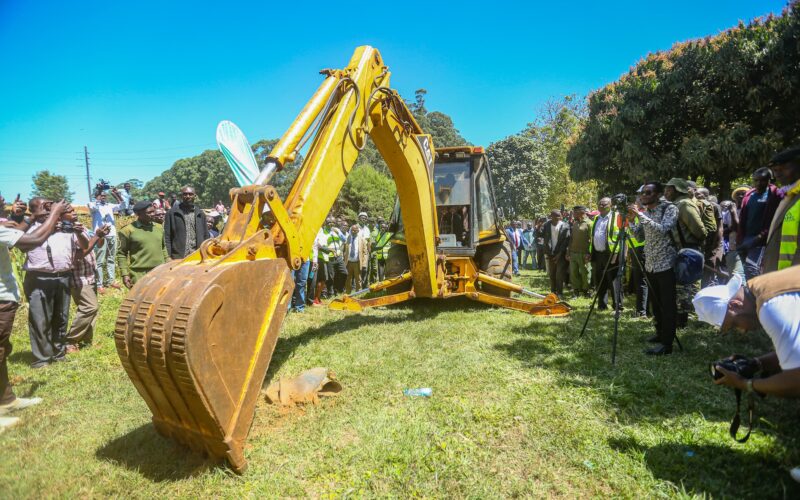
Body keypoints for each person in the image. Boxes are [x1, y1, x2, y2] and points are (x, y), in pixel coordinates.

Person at [694, 266, 800, 480]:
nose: (741, 331)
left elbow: (796, 380)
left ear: (735, 304)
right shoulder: (760, 287)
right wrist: (756, 363)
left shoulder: (770, 308)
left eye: (734, 324)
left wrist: (747, 385)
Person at [0, 198, 68, 429]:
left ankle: (6, 400)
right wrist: (55, 213)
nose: (4, 200)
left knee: (2, 351)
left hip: (5, 299)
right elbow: (32, 241)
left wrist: (33, 217)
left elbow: (17, 231)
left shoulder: (4, 225)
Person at [22, 199, 90, 368]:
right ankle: (42, 359)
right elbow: (23, 246)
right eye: (44, 205)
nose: (49, 207)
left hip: (63, 276)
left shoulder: (66, 226)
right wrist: (49, 226)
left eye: (50, 205)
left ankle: (58, 353)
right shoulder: (29, 227)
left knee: (61, 317)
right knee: (40, 319)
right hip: (39, 278)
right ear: (34, 209)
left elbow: (84, 246)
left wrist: (79, 232)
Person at [628, 182, 679, 355]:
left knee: (668, 305)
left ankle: (667, 344)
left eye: (648, 192)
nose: (643, 196)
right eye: (642, 193)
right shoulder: (647, 212)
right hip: (650, 264)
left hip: (666, 263)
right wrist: (630, 221)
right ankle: (659, 333)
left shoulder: (669, 209)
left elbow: (663, 229)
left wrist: (641, 216)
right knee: (656, 304)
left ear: (658, 194)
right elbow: (640, 235)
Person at [665, 178, 707, 327]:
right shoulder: (676, 204)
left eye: (670, 189)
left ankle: (695, 320)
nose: (666, 192)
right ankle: (682, 319)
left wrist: (690, 245)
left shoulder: (685, 205)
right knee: (682, 287)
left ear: (678, 190)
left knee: (690, 287)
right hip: (680, 250)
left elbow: (700, 231)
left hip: (690, 250)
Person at [65, 215, 110, 353]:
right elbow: (79, 254)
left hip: (90, 275)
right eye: (69, 211)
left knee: (92, 311)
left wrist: (100, 236)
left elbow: (97, 244)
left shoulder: (81, 226)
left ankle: (86, 341)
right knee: (89, 307)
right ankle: (70, 341)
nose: (74, 212)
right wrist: (96, 237)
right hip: (78, 276)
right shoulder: (64, 231)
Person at [737, 167, 781, 280]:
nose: (758, 183)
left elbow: (775, 220)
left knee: (752, 269)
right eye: (756, 180)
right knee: (741, 271)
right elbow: (743, 218)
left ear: (769, 180)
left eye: (762, 180)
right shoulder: (749, 195)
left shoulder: (775, 195)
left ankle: (756, 295)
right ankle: (746, 294)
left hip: (761, 240)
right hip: (746, 238)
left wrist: (759, 237)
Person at [763, 147, 800, 273]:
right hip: (780, 276)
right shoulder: (789, 196)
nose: (778, 174)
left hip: (792, 281)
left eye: (784, 169)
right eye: (775, 170)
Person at [117, 201, 168, 288]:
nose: (153, 214)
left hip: (160, 272)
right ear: (138, 214)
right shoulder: (127, 231)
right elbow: (121, 254)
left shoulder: (159, 228)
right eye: (149, 212)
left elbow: (163, 248)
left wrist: (168, 263)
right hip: (139, 274)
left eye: (153, 211)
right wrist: (124, 274)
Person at [590, 197, 623, 310]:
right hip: (598, 254)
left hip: (612, 254)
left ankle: (617, 306)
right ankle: (602, 305)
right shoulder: (596, 218)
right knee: (599, 280)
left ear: (611, 205)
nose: (602, 206)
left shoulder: (616, 216)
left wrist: (616, 254)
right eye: (600, 204)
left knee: (613, 281)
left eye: (605, 204)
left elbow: (620, 237)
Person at [88, 189, 123, 292]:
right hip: (100, 236)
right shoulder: (93, 205)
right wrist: (97, 195)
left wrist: (117, 195)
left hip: (112, 234)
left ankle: (111, 281)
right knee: (99, 261)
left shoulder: (110, 206)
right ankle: (99, 284)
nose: (103, 197)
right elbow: (93, 206)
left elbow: (123, 205)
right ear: (97, 196)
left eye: (104, 195)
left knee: (111, 258)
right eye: (101, 195)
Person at [164, 186, 211, 260]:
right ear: (181, 196)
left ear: (195, 196)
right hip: (178, 256)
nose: (188, 196)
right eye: (185, 194)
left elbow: (206, 235)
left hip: (197, 255)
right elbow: (167, 236)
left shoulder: (200, 214)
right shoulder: (172, 213)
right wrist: (168, 256)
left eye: (190, 194)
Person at [543, 209, 570, 297]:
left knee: (559, 274)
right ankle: (553, 291)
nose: (558, 218)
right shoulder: (546, 225)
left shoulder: (565, 226)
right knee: (552, 274)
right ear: (551, 216)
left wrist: (559, 254)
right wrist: (538, 226)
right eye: (556, 216)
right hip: (550, 254)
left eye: (559, 216)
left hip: (561, 254)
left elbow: (566, 241)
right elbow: (539, 235)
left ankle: (560, 292)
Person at [566, 206, 590, 297]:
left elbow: (592, 240)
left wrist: (589, 253)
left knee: (585, 273)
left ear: (581, 212)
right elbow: (571, 239)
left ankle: (586, 291)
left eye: (575, 212)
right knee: (573, 273)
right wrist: (568, 252)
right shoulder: (575, 223)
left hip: (584, 253)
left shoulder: (589, 223)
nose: (573, 214)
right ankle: (575, 291)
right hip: (573, 253)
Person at [343, 224, 369, 294]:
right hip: (349, 262)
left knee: (358, 279)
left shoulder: (362, 239)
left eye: (355, 230)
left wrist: (364, 263)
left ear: (358, 231)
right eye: (352, 230)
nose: (353, 232)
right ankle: (348, 293)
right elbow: (345, 250)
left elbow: (365, 252)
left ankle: (358, 293)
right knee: (348, 278)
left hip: (357, 262)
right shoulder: (348, 238)